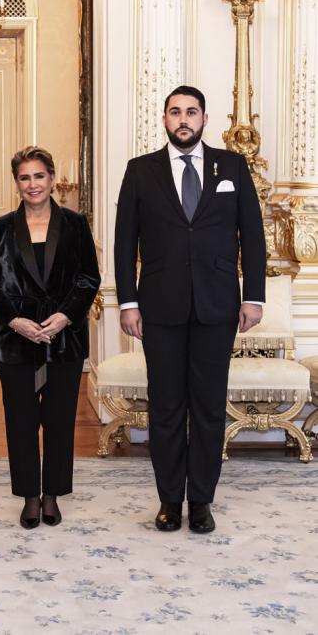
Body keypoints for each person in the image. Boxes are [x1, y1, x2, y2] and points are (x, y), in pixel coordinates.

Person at [114, 85, 266, 534]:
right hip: (159, 308)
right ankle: (167, 500)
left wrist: (253, 296)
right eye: (175, 112)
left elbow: (252, 237)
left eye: (192, 112)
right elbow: (125, 243)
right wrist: (128, 301)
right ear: (164, 119)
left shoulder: (232, 166)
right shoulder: (140, 171)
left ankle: (200, 500)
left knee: (208, 408)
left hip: (217, 307)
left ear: (204, 118)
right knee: (164, 407)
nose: (184, 119)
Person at [0, 146, 100, 529]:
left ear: (51, 179)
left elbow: (88, 278)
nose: (33, 184)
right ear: (17, 183)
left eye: (39, 176)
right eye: (24, 177)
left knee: (61, 419)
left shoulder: (76, 224)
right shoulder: (0, 228)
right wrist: (14, 321)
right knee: (21, 419)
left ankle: (52, 495)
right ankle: (30, 496)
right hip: (17, 340)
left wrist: (65, 317)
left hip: (65, 338)